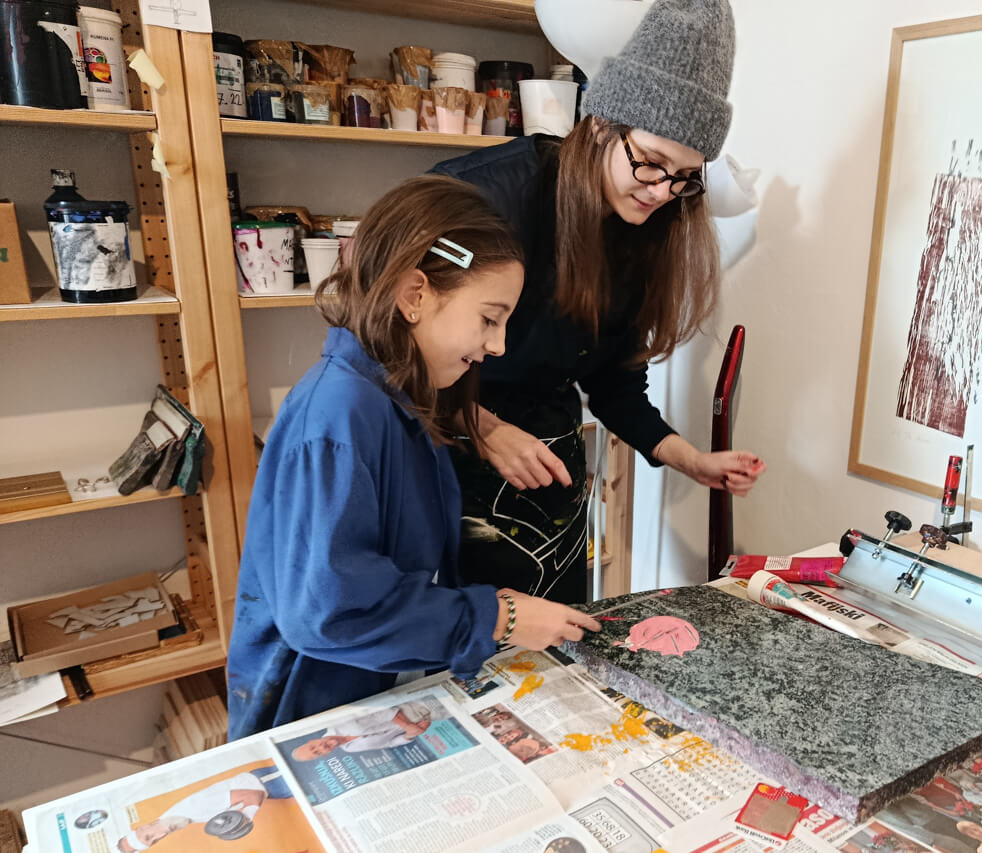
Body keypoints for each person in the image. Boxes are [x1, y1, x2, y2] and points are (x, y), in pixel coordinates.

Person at [226, 177, 602, 740]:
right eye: (489, 318)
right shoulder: (339, 420)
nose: (497, 346)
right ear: (413, 295)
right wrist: (499, 617)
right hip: (312, 706)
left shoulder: (400, 401)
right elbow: (330, 613)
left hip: (373, 687)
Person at [431, 0, 765, 604]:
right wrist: (482, 426)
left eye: (685, 177)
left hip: (548, 469)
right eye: (652, 163)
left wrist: (691, 460)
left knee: (556, 638)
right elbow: (387, 346)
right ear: (601, 125)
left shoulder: (648, 230)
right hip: (444, 452)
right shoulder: (487, 197)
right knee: (467, 635)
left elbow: (614, 383)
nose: (662, 192)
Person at [116, 767, 290, 851]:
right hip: (269, 789)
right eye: (153, 842)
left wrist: (244, 819)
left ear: (143, 827)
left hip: (269, 781)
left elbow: (253, 795)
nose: (160, 836)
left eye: (149, 836)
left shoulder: (190, 809)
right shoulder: (180, 817)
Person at [289, 702, 435, 760]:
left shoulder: (335, 721)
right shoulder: (350, 749)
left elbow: (381, 709)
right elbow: (389, 743)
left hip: (415, 704)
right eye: (318, 753)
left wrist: (407, 725)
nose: (321, 748)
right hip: (426, 720)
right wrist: (410, 735)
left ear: (311, 740)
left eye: (313, 747)